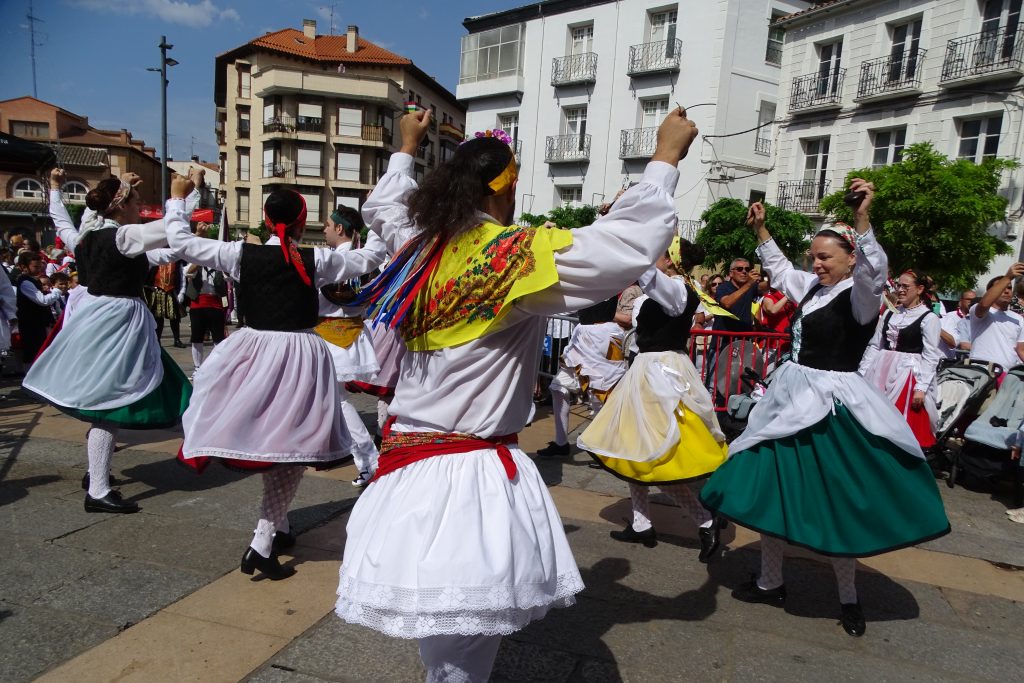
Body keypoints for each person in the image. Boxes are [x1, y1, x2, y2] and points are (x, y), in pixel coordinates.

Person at [335, 107, 698, 681]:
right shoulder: (511, 258)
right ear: (505, 188)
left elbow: (382, 208)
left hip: (406, 463)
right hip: (465, 476)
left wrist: (406, 147)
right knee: (462, 650)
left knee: (445, 642)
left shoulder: (420, 248)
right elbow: (624, 244)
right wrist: (665, 158)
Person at [699, 191, 950, 638]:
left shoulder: (861, 296)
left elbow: (875, 273)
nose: (816, 264)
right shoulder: (814, 288)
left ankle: (848, 597)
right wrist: (760, 229)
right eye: (813, 257)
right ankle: (770, 581)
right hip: (789, 399)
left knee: (835, 504)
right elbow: (780, 270)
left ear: (851, 259)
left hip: (830, 405)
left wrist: (863, 220)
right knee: (773, 492)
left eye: (825, 257)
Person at [165, 178, 386, 581]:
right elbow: (371, 256)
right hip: (300, 355)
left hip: (254, 351)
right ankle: (264, 540)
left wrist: (178, 200)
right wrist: (375, 211)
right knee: (290, 447)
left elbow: (181, 243)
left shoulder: (240, 253)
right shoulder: (316, 259)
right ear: (302, 223)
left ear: (266, 220)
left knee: (276, 443)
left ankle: (275, 529)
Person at [23, 168, 193, 513]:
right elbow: (172, 231)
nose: (139, 207)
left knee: (110, 402)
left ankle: (96, 475)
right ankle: (98, 490)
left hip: (101, 319)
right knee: (110, 406)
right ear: (120, 206)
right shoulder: (123, 236)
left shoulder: (88, 237)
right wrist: (179, 198)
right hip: (119, 325)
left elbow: (160, 251)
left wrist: (57, 190)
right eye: (134, 201)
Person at [579, 237, 728, 560]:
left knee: (658, 457)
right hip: (645, 371)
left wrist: (637, 235)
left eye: (659, 251)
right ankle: (641, 522)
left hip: (662, 374)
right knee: (634, 448)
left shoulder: (677, 290)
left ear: (671, 259)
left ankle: (705, 519)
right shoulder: (658, 291)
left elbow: (644, 270)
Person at [314, 206, 387, 486]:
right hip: (350, 333)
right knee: (334, 401)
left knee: (338, 401)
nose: (324, 229)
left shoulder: (333, 261)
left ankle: (369, 459)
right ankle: (357, 456)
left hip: (332, 338)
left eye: (327, 224)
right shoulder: (364, 258)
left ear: (339, 228)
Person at [860, 270, 942, 450]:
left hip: (907, 372)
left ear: (920, 289)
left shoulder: (929, 318)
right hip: (881, 369)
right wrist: (863, 372)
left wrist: (921, 388)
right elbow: (875, 345)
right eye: (899, 285)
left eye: (906, 286)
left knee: (900, 421)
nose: (900, 289)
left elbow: (930, 355)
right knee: (872, 415)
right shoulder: (890, 314)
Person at [966, 267, 1024, 379]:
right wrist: (1008, 277)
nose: (1006, 291)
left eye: (1009, 288)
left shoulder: (1018, 319)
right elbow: (984, 304)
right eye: (1002, 287)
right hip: (982, 371)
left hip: (1007, 375)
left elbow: (1021, 350)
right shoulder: (978, 310)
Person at [14, 251, 61, 366]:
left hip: (37, 322)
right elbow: (42, 301)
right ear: (23, 267)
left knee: (40, 351)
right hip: (31, 323)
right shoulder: (25, 282)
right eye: (35, 267)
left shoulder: (32, 280)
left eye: (40, 266)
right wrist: (56, 291)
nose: (39, 269)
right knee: (34, 352)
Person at [183, 258, 228, 375]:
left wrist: (221, 264)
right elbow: (187, 272)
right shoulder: (196, 263)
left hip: (216, 304)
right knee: (196, 338)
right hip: (198, 304)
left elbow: (229, 277)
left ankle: (217, 367)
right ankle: (197, 367)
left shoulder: (218, 265)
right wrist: (200, 260)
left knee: (219, 338)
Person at [145, 260, 187, 348]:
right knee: (158, 317)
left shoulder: (177, 262)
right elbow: (148, 273)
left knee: (174, 317)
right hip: (157, 291)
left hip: (171, 291)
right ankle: (157, 339)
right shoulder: (156, 260)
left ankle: (177, 339)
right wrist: (149, 286)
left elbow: (182, 278)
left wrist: (181, 293)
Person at [940, 289, 975, 359]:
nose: (971, 302)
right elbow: (952, 342)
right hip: (954, 358)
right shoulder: (951, 317)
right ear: (960, 301)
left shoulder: (977, 319)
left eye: (974, 300)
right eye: (968, 299)